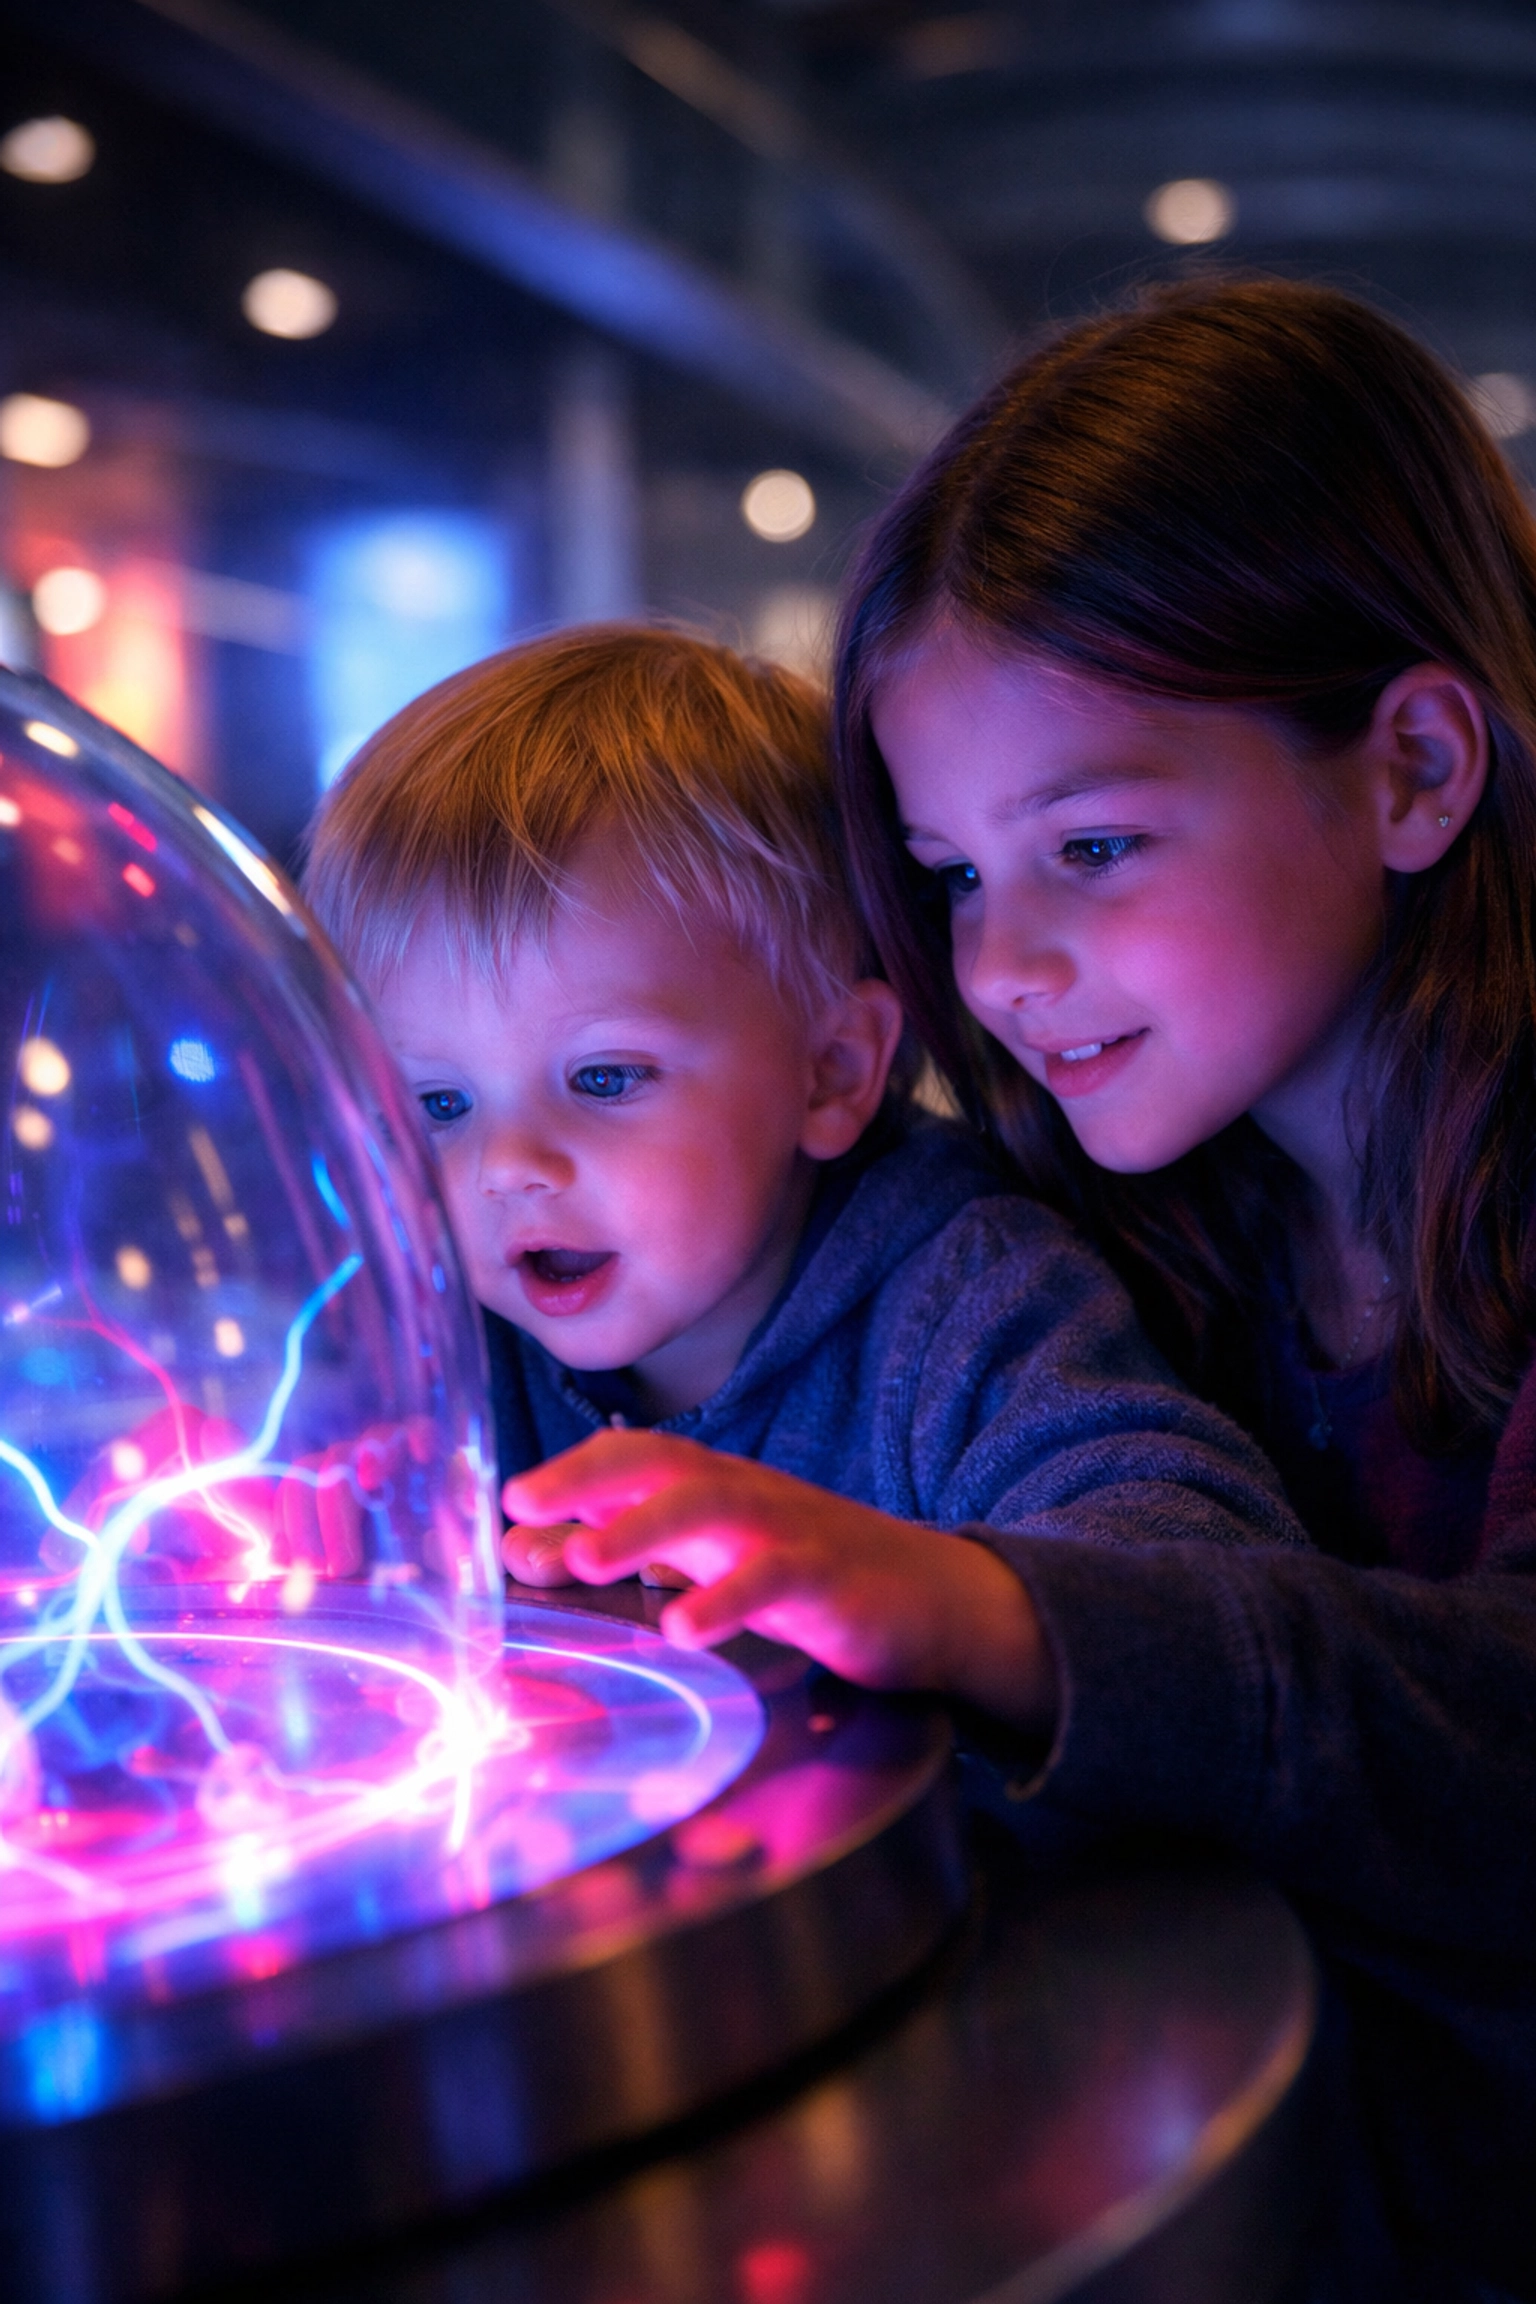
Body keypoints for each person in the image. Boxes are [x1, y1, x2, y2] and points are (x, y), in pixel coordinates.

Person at [508, 288, 1536, 2298]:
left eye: (1090, 842)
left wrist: (977, 1600)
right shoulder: (1120, 1197)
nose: (999, 968)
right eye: (955, 875)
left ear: (1414, 766)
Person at [300, 623, 1300, 1714]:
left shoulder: (968, 1296)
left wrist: (939, 1595)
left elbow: (1215, 1576)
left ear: (831, 1073)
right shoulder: (439, 1343)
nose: (506, 1166)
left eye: (604, 1079)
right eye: (438, 1104)